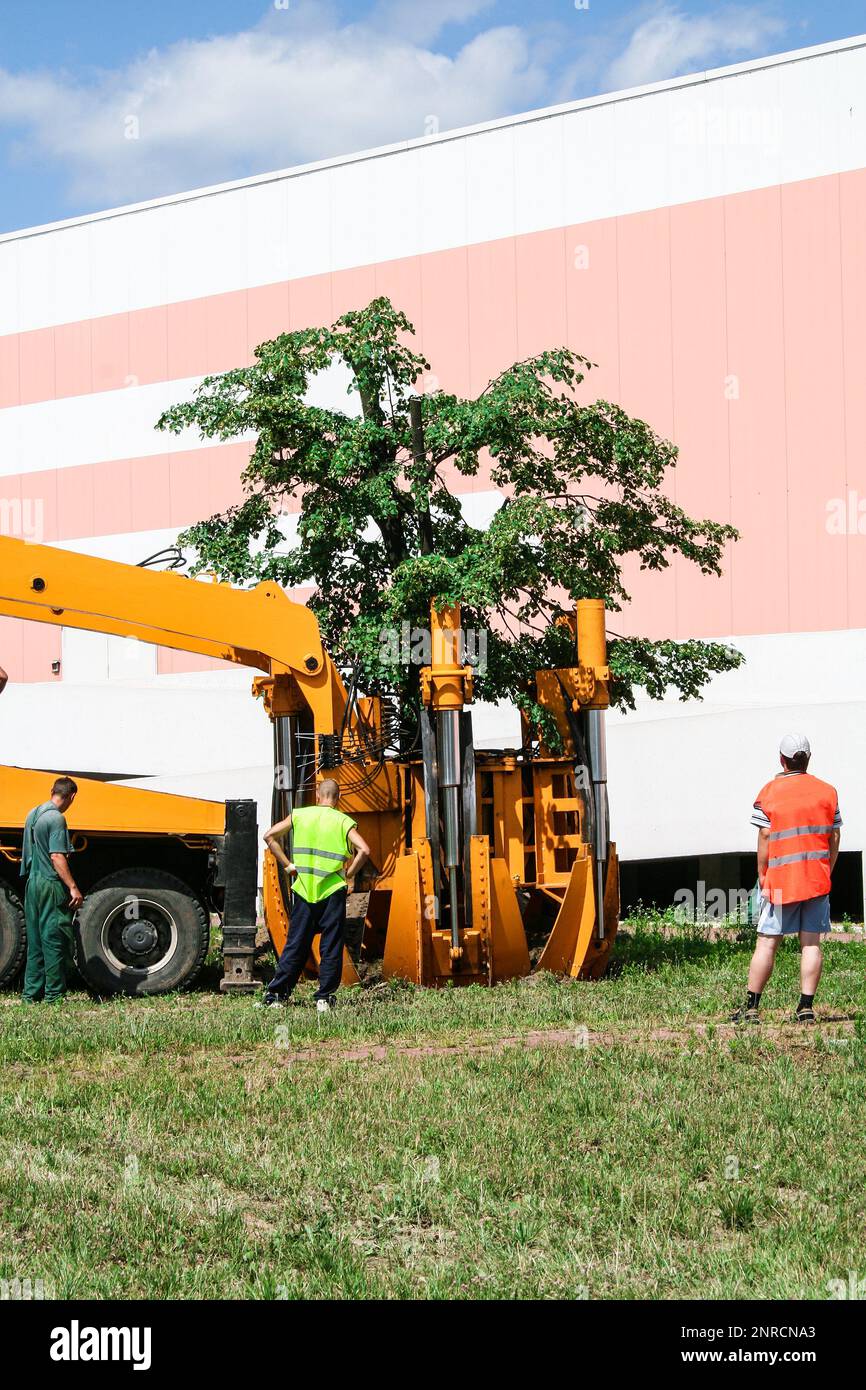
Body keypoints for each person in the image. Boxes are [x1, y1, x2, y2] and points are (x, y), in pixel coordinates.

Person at [732, 734, 841, 1025]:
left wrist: (763, 874)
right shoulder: (827, 792)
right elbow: (834, 836)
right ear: (808, 758)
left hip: (781, 880)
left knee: (767, 943)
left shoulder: (769, 792)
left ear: (782, 759)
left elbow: (765, 836)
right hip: (816, 880)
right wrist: (825, 870)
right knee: (811, 944)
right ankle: (805, 1008)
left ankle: (751, 1008)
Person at [262, 778, 369, 1012]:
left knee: (296, 944)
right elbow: (364, 850)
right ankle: (324, 997)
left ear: (318, 796)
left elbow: (269, 836)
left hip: (304, 890)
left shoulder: (300, 815)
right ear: (337, 799)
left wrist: (288, 865)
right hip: (332, 892)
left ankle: (277, 996)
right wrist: (348, 873)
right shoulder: (343, 821)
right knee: (330, 945)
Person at [20, 776, 83, 1003]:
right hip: (49, 884)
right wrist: (73, 887)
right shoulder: (57, 818)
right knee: (53, 938)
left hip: (32, 883)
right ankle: (54, 995)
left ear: (52, 791)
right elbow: (56, 856)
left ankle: (30, 994)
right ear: (72, 796)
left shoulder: (33, 814)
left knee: (35, 941)